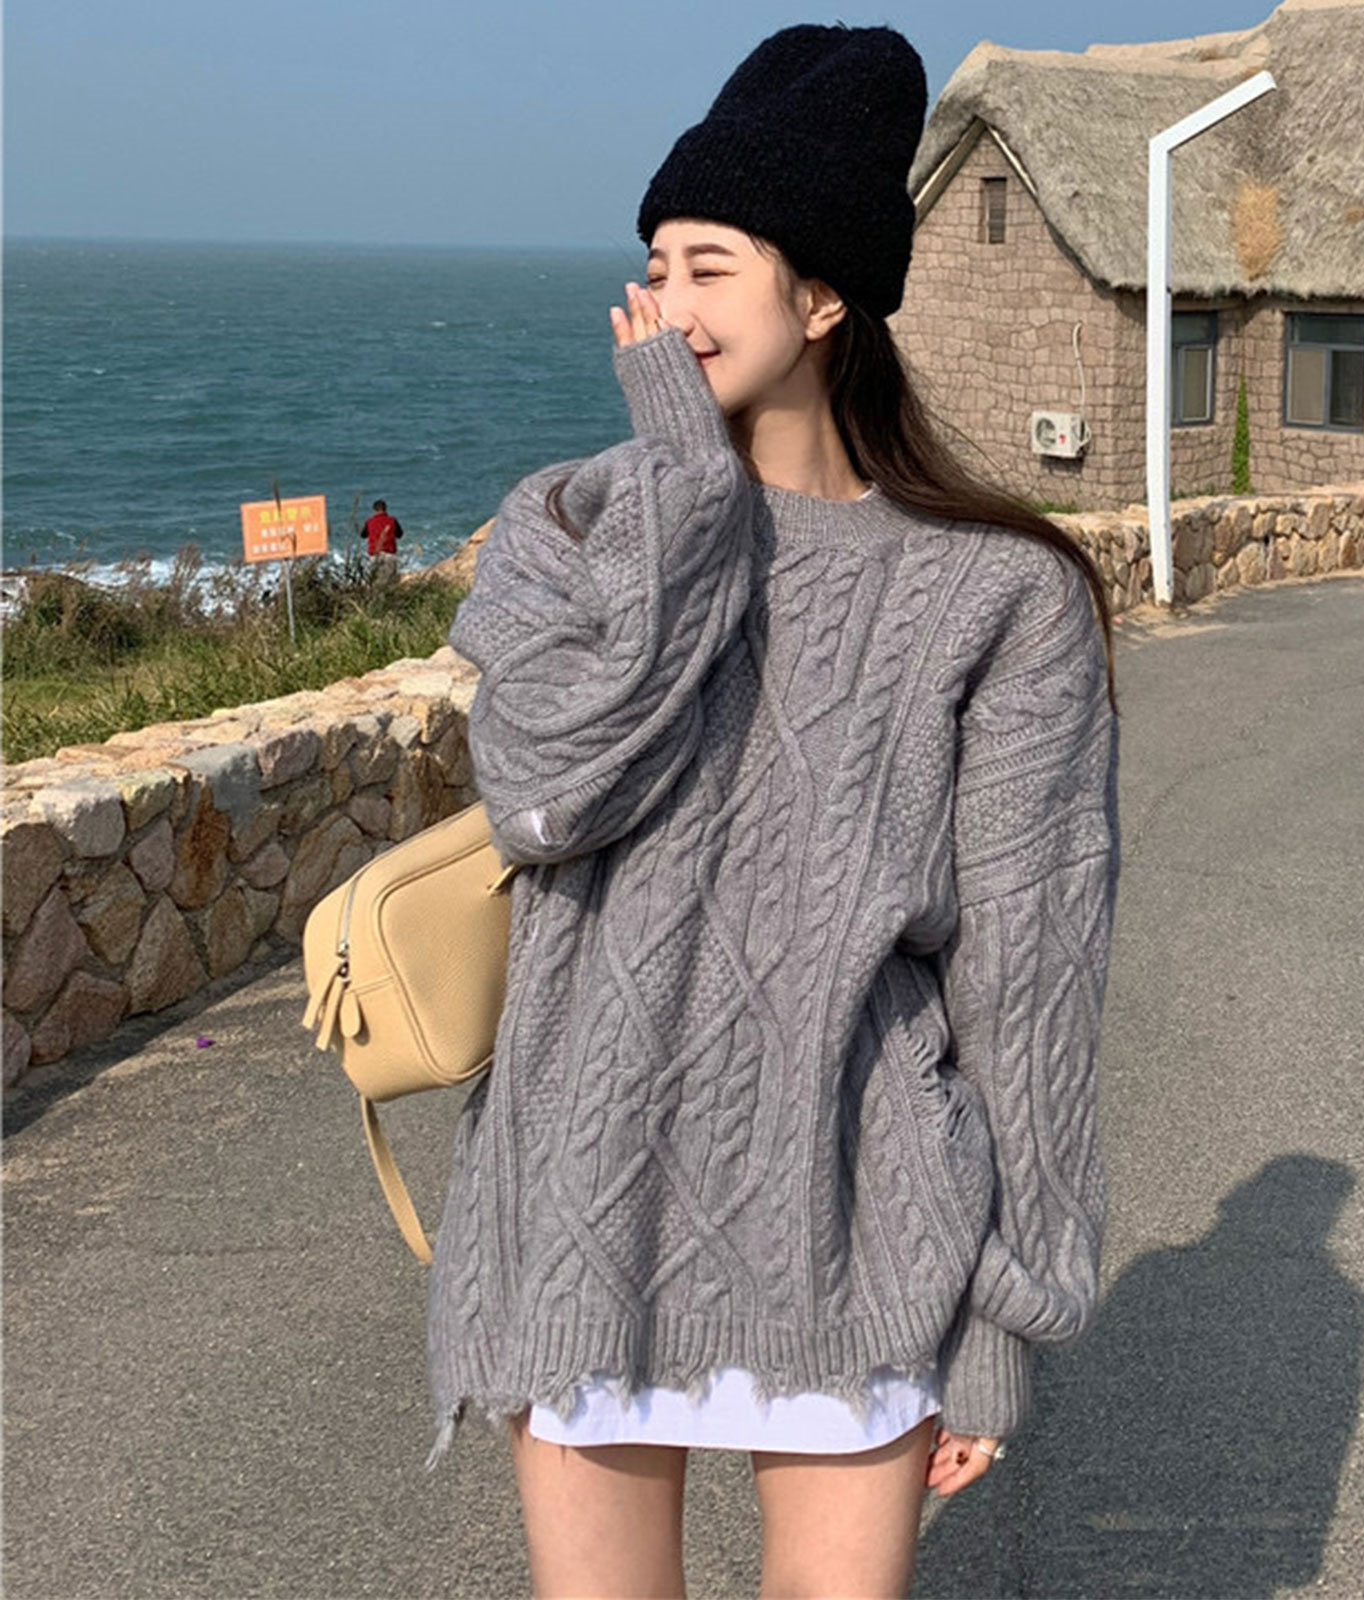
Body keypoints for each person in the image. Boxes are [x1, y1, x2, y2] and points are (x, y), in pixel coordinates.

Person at [433, 22, 1120, 1598]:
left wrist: (1007, 1318)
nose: (665, 307)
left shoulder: (998, 597)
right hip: (587, 1206)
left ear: (824, 299)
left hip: (856, 1216)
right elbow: (542, 796)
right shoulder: (569, 524)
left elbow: (1029, 982)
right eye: (653, 268)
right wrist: (683, 496)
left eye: (709, 266)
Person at [362, 498, 403, 581]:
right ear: (385, 509)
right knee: (391, 582)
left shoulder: (369, 521)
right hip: (389, 555)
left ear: (374, 510)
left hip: (375, 555)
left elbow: (363, 535)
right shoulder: (392, 520)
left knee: (376, 582)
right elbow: (400, 534)